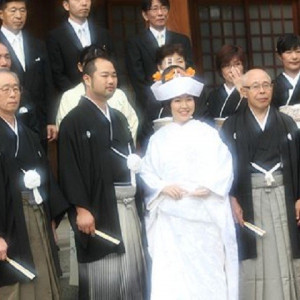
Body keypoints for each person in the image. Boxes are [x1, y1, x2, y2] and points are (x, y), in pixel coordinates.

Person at [140, 66, 238, 299]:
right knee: (174, 276)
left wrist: (212, 186)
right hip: (172, 218)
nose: (184, 106)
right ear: (169, 105)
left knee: (208, 273)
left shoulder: (208, 133)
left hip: (205, 213)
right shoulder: (158, 138)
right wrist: (163, 187)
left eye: (188, 100)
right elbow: (147, 170)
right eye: (177, 101)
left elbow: (225, 165)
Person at [58, 49, 146, 299]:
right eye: (105, 75)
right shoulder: (73, 121)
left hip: (127, 204)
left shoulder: (118, 117)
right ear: (87, 79)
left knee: (132, 272)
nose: (111, 81)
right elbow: (68, 168)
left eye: (114, 76)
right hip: (96, 208)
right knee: (103, 277)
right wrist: (81, 209)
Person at [221, 69, 300, 300]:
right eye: (255, 86)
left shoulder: (286, 123)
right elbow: (224, 168)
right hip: (249, 197)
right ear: (244, 92)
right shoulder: (231, 126)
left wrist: (299, 197)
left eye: (267, 85)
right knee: (253, 253)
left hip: (283, 195)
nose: (263, 91)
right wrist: (231, 198)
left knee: (286, 249)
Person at [0, 69, 69, 299]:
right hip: (8, 222)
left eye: (16, 88)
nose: (13, 94)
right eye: (5, 89)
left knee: (44, 273)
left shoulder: (28, 134)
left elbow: (46, 176)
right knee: (17, 283)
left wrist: (50, 217)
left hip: (36, 212)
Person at [126, 0, 193, 149]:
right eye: (155, 9)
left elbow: (189, 70)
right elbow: (137, 79)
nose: (160, 13)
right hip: (149, 105)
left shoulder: (182, 40)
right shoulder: (135, 42)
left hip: (181, 103)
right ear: (145, 15)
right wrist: (156, 102)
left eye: (164, 8)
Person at [0, 0, 57, 145]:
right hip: (6, 118)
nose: (19, 15)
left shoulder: (37, 44)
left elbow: (47, 83)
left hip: (38, 119)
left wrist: (51, 119)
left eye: (22, 10)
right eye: (13, 10)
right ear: (1, 14)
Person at [56, 45, 138, 143]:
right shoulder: (69, 97)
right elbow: (66, 132)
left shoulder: (119, 95)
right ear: (80, 67)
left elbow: (132, 124)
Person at [47, 0, 114, 93]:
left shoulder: (103, 33)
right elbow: (57, 73)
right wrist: (75, 94)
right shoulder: (56, 36)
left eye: (87, 0)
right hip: (72, 95)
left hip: (103, 93)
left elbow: (112, 63)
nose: (84, 3)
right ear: (66, 5)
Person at [206, 44, 246, 123]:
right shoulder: (213, 95)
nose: (232, 70)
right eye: (227, 66)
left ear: (243, 66)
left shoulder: (251, 90)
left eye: (237, 64)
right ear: (220, 70)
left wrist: (240, 87)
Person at [272, 34, 300, 107]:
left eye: (298, 51)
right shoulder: (273, 87)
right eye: (288, 52)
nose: (294, 57)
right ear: (279, 56)